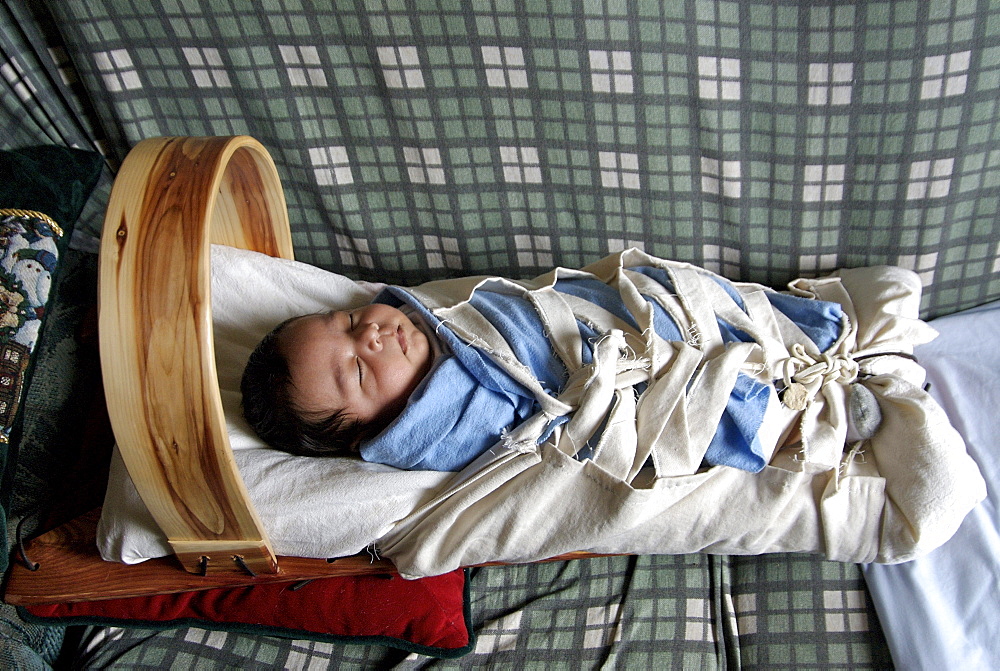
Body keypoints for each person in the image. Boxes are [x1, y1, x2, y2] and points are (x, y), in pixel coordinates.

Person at [242, 251, 863, 474]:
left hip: (622, 318)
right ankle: (801, 418)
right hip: (617, 383)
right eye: (356, 371)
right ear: (376, 429)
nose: (371, 336)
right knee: (694, 403)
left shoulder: (448, 316)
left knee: (694, 308)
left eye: (351, 323)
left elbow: (538, 307)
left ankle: (813, 337)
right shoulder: (450, 425)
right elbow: (555, 436)